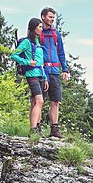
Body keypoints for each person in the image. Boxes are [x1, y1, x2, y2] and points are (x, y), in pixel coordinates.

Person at [11, 18, 48, 136]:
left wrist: (46, 77)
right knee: (39, 101)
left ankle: (37, 128)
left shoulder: (38, 42)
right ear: (33, 28)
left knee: (35, 103)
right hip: (31, 75)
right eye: (40, 27)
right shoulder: (26, 42)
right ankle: (33, 130)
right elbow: (14, 55)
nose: (41, 29)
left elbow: (41, 62)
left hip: (41, 75)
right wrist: (27, 62)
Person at [39, 7, 69, 138]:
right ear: (43, 17)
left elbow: (61, 52)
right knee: (39, 101)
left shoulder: (56, 34)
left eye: (53, 17)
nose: (52, 20)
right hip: (42, 71)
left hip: (55, 71)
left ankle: (54, 130)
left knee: (55, 101)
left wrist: (65, 69)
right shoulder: (38, 33)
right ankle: (37, 127)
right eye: (50, 17)